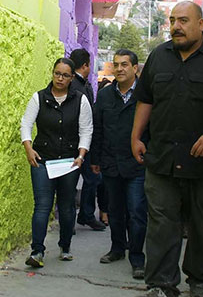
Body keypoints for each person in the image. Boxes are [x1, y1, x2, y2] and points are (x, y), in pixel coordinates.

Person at [129, 2, 203, 297]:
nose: (176, 26)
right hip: (162, 156)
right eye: (172, 20)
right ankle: (161, 289)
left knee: (199, 223)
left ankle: (198, 280)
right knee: (162, 222)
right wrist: (136, 136)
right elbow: (145, 99)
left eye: (183, 20)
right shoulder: (159, 57)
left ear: (200, 24)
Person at [20, 57, 93, 267]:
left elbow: (86, 130)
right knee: (42, 206)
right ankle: (37, 252)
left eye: (65, 75)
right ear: (52, 73)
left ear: (72, 78)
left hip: (69, 162)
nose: (60, 78)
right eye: (57, 73)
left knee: (67, 206)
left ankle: (65, 246)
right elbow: (26, 124)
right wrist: (28, 148)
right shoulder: (39, 98)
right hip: (42, 159)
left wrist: (81, 155)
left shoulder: (80, 100)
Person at [90, 49, 148, 279]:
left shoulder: (146, 95)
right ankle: (117, 248)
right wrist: (95, 159)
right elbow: (98, 129)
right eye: (116, 65)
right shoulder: (105, 96)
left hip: (137, 163)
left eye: (125, 64)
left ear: (135, 68)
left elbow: (152, 129)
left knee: (136, 211)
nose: (120, 69)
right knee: (115, 210)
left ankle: (136, 257)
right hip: (111, 162)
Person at [69, 48, 107, 231]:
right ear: (85, 65)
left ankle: (85, 214)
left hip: (81, 141)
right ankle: (84, 215)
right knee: (89, 179)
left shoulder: (80, 84)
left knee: (92, 178)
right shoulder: (77, 86)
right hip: (79, 143)